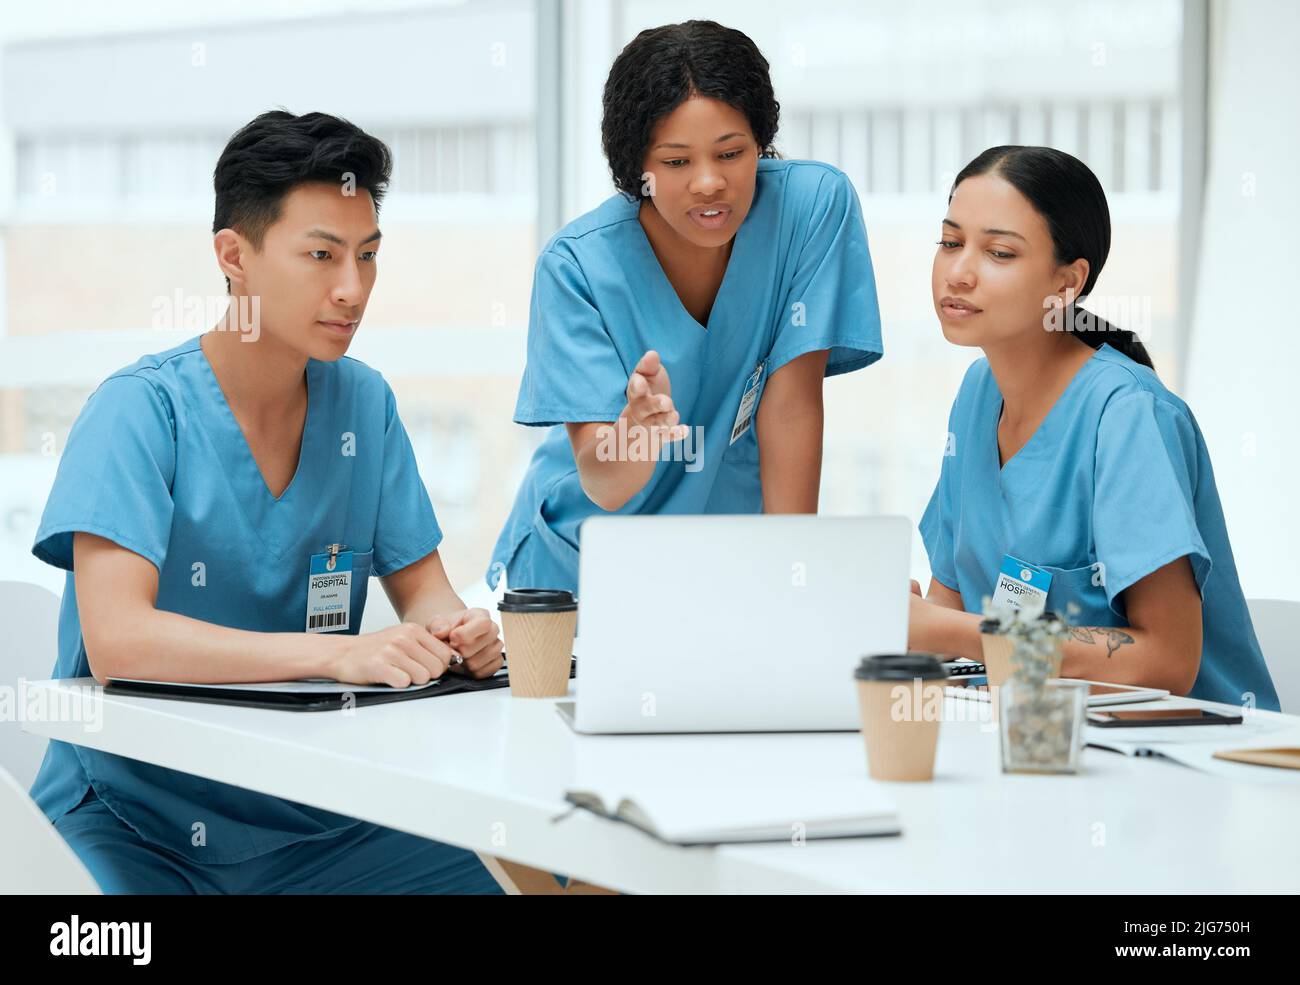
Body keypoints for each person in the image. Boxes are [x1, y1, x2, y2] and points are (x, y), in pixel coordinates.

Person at [29, 110, 507, 892]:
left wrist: (458, 636)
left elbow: (426, 594)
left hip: (313, 814)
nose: (352, 289)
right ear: (234, 256)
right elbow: (118, 640)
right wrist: (335, 653)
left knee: (518, 880)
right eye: (321, 255)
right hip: (133, 819)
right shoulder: (139, 412)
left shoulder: (363, 406)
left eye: (367, 255)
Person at [488, 20, 883, 593]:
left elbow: (791, 406)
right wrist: (635, 434)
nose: (709, 183)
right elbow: (604, 481)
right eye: (675, 162)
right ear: (636, 167)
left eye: (731, 153)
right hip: (582, 573)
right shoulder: (576, 267)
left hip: (725, 565)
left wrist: (795, 575)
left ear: (761, 142)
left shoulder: (810, 207)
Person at [909, 144, 1278, 711]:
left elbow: (1167, 663)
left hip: (1188, 755)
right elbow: (948, 608)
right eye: (951, 242)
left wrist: (947, 632)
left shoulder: (1128, 414)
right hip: (1038, 736)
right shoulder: (976, 397)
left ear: (1068, 282)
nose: (958, 272)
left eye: (999, 252)